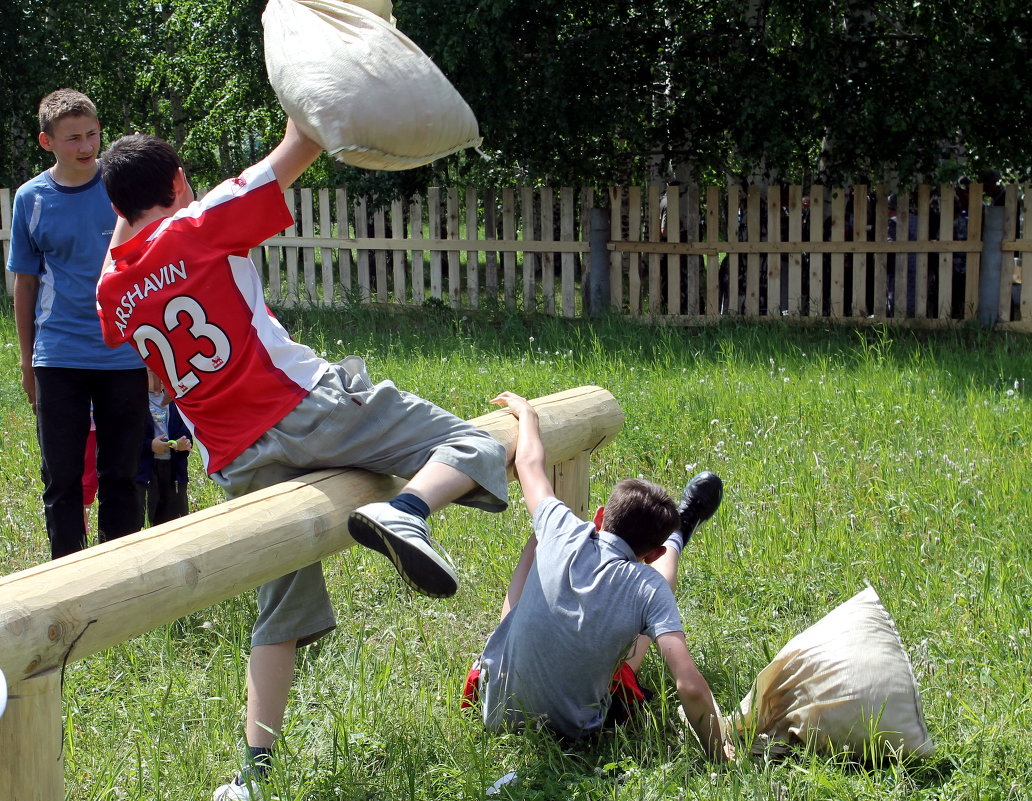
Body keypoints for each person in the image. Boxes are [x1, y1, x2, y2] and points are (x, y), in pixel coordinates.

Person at [94, 120, 508, 801]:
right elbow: (303, 148)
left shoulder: (115, 291)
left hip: (238, 459)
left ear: (116, 210)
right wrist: (303, 90)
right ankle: (407, 512)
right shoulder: (198, 222)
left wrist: (126, 215)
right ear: (177, 183)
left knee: (277, 609)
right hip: (307, 407)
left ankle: (252, 774)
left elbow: (114, 277)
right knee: (475, 442)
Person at [465, 391, 733, 761]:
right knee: (648, 609)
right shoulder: (649, 584)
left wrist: (527, 414)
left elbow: (529, 463)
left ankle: (676, 532)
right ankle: (677, 535)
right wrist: (723, 754)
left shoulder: (560, 526)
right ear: (650, 556)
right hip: (574, 735)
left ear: (600, 515)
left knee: (538, 539)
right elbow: (688, 684)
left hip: (492, 710)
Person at [6, 88, 148, 559]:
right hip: (59, 356)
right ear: (47, 142)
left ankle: (122, 575)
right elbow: (24, 287)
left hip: (124, 354)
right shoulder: (31, 198)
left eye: (92, 134)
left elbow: (151, 268)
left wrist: (154, 351)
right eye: (73, 139)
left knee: (122, 475)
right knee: (62, 477)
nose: (86, 147)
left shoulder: (122, 188)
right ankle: (67, 577)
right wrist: (28, 364)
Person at [136, 368, 193, 527]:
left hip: (173, 470)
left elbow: (186, 430)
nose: (156, 376)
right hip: (147, 471)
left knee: (175, 516)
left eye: (159, 370)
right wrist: (150, 446)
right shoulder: (136, 402)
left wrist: (183, 443)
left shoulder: (176, 401)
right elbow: (130, 438)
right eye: (150, 371)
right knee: (149, 513)